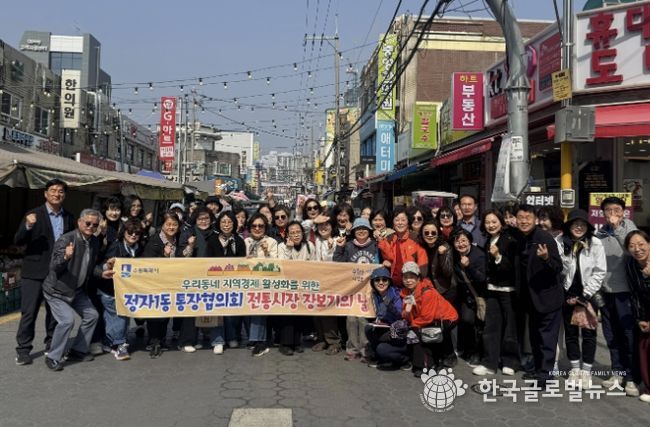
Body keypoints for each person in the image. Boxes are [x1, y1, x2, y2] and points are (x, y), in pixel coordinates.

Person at [42, 209, 114, 371]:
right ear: (79, 222)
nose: (91, 227)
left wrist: (103, 271)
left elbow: (90, 267)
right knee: (67, 321)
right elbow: (54, 266)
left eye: (95, 225)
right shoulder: (66, 239)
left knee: (92, 316)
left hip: (76, 290)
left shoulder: (94, 241)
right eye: (88, 223)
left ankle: (77, 350)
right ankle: (53, 356)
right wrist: (66, 257)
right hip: (57, 291)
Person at [15, 178, 75, 366]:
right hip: (34, 272)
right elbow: (18, 240)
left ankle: (51, 344)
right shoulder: (33, 214)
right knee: (29, 313)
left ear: (64, 195)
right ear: (46, 193)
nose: (57, 194)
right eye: (53, 190)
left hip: (57, 273)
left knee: (54, 313)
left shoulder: (69, 217)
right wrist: (28, 226)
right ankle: (23, 350)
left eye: (61, 191)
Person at [596, 196, 641, 396]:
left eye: (616, 209)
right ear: (603, 213)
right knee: (611, 335)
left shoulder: (630, 228)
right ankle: (617, 372)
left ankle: (631, 377)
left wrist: (617, 230)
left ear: (624, 212)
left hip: (625, 292)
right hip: (606, 292)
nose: (612, 213)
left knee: (628, 335)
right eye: (608, 210)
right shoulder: (599, 233)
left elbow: (634, 251)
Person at [515, 204, 564, 387]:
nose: (524, 221)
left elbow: (557, 267)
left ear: (535, 220)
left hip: (548, 298)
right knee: (535, 337)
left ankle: (546, 376)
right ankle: (537, 369)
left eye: (528, 218)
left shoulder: (544, 238)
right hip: (530, 298)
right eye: (520, 218)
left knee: (547, 339)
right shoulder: (520, 237)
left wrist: (545, 258)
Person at [558, 209, 606, 388]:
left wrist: (585, 295)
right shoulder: (560, 241)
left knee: (589, 334)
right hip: (568, 294)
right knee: (570, 334)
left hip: (588, 295)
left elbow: (599, 272)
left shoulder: (595, 243)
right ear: (569, 226)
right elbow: (560, 269)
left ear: (588, 227)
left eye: (582, 224)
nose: (578, 227)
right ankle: (575, 369)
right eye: (575, 224)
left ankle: (586, 372)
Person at [472, 210, 520, 376]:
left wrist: (498, 256)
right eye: (487, 222)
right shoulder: (488, 240)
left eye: (494, 222)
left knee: (510, 328)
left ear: (501, 222)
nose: (491, 225)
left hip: (508, 290)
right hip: (492, 289)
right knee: (491, 327)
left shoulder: (510, 240)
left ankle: (510, 362)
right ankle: (489, 363)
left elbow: (511, 266)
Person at [401, 262, 458, 377]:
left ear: (418, 278)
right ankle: (426, 362)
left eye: (412, 277)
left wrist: (413, 325)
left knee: (427, 335)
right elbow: (407, 315)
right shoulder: (406, 292)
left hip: (447, 317)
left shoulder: (427, 292)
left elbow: (427, 317)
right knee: (418, 332)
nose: (408, 280)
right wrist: (407, 312)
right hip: (428, 318)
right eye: (405, 277)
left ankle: (432, 363)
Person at [334, 217, 379, 361]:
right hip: (352, 290)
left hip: (369, 290)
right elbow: (338, 264)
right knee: (351, 319)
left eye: (364, 228)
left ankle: (366, 350)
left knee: (363, 319)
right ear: (353, 231)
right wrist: (339, 247)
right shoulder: (348, 246)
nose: (361, 231)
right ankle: (352, 349)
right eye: (358, 229)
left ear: (369, 231)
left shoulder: (375, 245)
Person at [98, 219, 144, 361]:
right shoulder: (115, 246)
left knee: (118, 318)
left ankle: (110, 342)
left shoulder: (140, 248)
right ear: (124, 232)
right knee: (120, 317)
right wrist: (108, 265)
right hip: (110, 289)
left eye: (137, 233)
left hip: (128, 290)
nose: (133, 235)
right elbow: (102, 265)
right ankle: (120, 345)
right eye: (130, 232)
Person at [177, 207, 219, 354]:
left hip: (211, 277)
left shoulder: (215, 233)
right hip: (192, 277)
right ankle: (187, 341)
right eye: (200, 219)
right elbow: (181, 255)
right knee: (191, 308)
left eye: (206, 218)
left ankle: (209, 337)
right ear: (195, 220)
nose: (203, 221)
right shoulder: (188, 233)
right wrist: (190, 245)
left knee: (209, 307)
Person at [142, 211, 184, 358]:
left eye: (174, 224)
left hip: (172, 283)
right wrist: (164, 256)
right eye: (168, 224)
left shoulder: (179, 240)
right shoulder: (154, 241)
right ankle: (153, 340)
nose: (171, 227)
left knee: (166, 311)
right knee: (155, 313)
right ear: (162, 225)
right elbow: (148, 263)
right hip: (155, 283)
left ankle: (162, 339)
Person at [277, 221, 316, 355]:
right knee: (288, 315)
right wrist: (289, 249)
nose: (296, 235)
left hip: (303, 285)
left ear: (302, 233)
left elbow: (314, 264)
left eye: (298, 232)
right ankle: (285, 344)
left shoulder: (309, 245)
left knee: (300, 314)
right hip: (287, 285)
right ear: (287, 235)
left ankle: (297, 342)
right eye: (292, 233)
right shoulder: (282, 246)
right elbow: (282, 264)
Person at [451, 229, 487, 368]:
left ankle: (478, 354)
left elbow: (482, 278)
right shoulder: (455, 255)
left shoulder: (479, 255)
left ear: (470, 241)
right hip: (466, 297)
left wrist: (469, 266)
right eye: (457, 241)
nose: (461, 244)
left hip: (480, 296)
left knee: (480, 325)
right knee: (467, 320)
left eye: (464, 241)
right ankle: (469, 350)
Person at [214, 211, 248, 352]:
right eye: (223, 222)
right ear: (219, 224)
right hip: (216, 281)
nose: (226, 225)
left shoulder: (239, 241)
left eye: (229, 222)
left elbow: (242, 262)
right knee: (217, 311)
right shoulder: (213, 240)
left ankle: (232, 337)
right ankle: (218, 340)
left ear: (234, 224)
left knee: (232, 311)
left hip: (234, 282)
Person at [244, 213, 278, 357]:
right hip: (248, 281)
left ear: (265, 227)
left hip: (265, 281)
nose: (257, 228)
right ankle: (254, 339)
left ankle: (259, 341)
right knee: (249, 311)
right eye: (254, 226)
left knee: (259, 310)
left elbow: (276, 263)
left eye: (260, 226)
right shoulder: (245, 241)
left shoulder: (271, 242)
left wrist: (265, 251)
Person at [624, 230, 650, 403]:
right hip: (645, 312)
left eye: (641, 244)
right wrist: (640, 318)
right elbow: (634, 294)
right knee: (643, 346)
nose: (637, 249)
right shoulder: (631, 265)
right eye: (632, 246)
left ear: (649, 244)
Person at [311, 213, 343, 355]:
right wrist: (314, 220)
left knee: (328, 312)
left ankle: (333, 342)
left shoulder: (338, 240)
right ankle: (321, 339)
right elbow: (303, 227)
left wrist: (332, 248)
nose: (323, 228)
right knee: (315, 311)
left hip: (332, 281)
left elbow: (336, 261)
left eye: (327, 225)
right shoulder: (315, 239)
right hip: (315, 280)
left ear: (332, 226)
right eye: (320, 225)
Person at [364, 267, 406, 369]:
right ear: (373, 282)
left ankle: (405, 359)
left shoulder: (395, 293)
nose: (381, 282)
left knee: (381, 348)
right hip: (386, 326)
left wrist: (389, 305)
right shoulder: (375, 294)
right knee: (368, 329)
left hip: (399, 330)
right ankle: (380, 357)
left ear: (389, 281)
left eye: (384, 280)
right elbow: (380, 313)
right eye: (377, 280)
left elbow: (400, 315)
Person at [377, 206, 428, 287]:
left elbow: (422, 263)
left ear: (408, 222)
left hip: (411, 285)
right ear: (393, 222)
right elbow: (389, 257)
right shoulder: (388, 237)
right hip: (392, 285)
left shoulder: (416, 238)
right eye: (397, 220)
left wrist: (419, 283)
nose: (400, 223)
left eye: (403, 220)